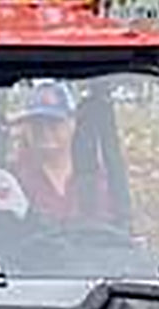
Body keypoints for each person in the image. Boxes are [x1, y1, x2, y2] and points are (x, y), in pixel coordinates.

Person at [10, 79, 111, 222]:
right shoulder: (13, 178)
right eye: (37, 124)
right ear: (26, 129)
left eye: (53, 124)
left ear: (73, 123)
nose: (45, 132)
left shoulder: (96, 176)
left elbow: (113, 231)